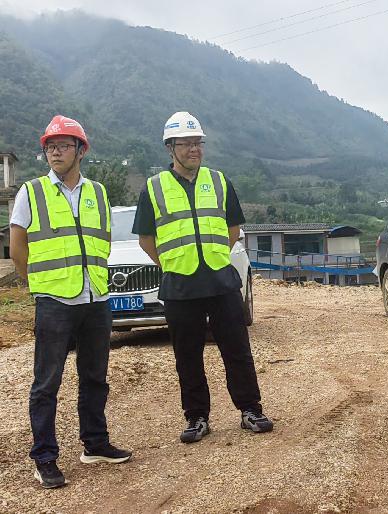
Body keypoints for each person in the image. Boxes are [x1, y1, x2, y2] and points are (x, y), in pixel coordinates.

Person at [133, 112, 273, 443]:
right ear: (170, 147)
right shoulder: (154, 188)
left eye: (198, 142)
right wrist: (171, 262)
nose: (194, 149)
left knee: (237, 350)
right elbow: (146, 239)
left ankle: (250, 409)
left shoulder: (219, 181)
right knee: (188, 357)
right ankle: (197, 417)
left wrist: (215, 255)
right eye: (186, 144)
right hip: (180, 285)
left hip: (221, 280)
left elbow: (233, 228)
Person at [9, 115, 132, 489]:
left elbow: (102, 241)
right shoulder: (31, 192)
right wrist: (40, 285)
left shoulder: (97, 192)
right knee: (47, 383)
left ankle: (95, 444)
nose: (55, 152)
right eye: (50, 146)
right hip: (55, 301)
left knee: (95, 377)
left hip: (95, 298)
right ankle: (44, 458)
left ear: (81, 150)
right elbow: (17, 248)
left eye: (63, 145)